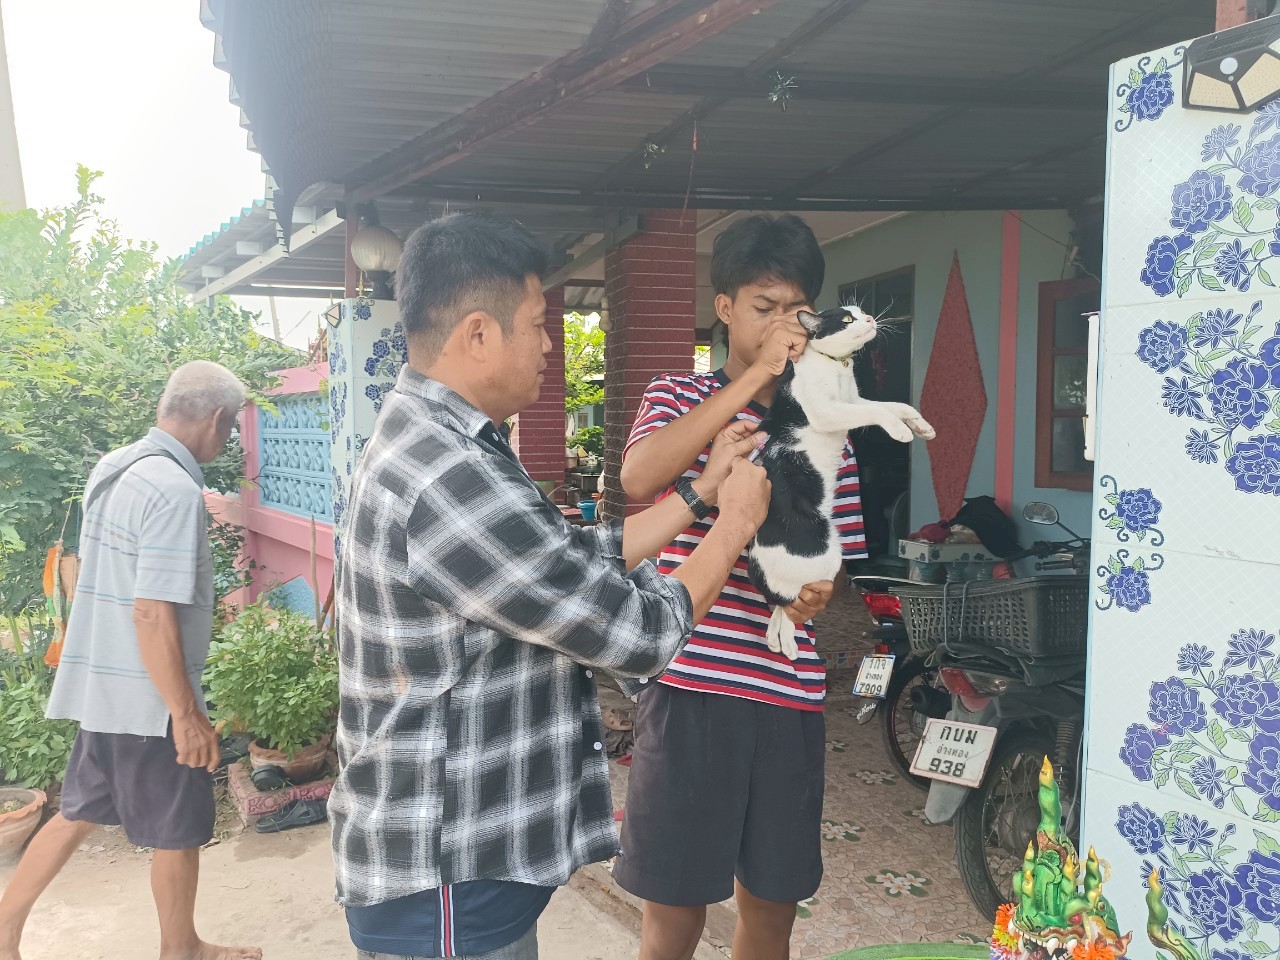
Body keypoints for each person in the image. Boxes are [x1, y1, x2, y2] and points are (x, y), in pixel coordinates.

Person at [327, 211, 771, 960]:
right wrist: (734, 525)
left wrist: (698, 496)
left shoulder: (445, 439)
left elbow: (567, 558)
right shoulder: (448, 477)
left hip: (457, 869)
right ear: (477, 334)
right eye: (538, 324)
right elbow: (639, 635)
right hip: (447, 884)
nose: (549, 346)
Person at [613, 214, 869, 960]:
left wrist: (816, 594)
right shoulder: (676, 396)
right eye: (765, 307)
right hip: (689, 688)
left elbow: (832, 563)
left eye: (798, 311)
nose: (785, 326)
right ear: (724, 307)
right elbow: (638, 478)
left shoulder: (826, 428)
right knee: (674, 916)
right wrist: (757, 377)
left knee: (770, 911)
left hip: (786, 697)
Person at [0, 361, 259, 960]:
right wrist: (185, 714)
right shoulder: (173, 490)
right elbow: (151, 611)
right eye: (230, 428)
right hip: (148, 699)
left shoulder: (115, 467)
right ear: (218, 419)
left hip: (106, 685)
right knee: (179, 828)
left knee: (78, 811)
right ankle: (181, 949)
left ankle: (5, 928)